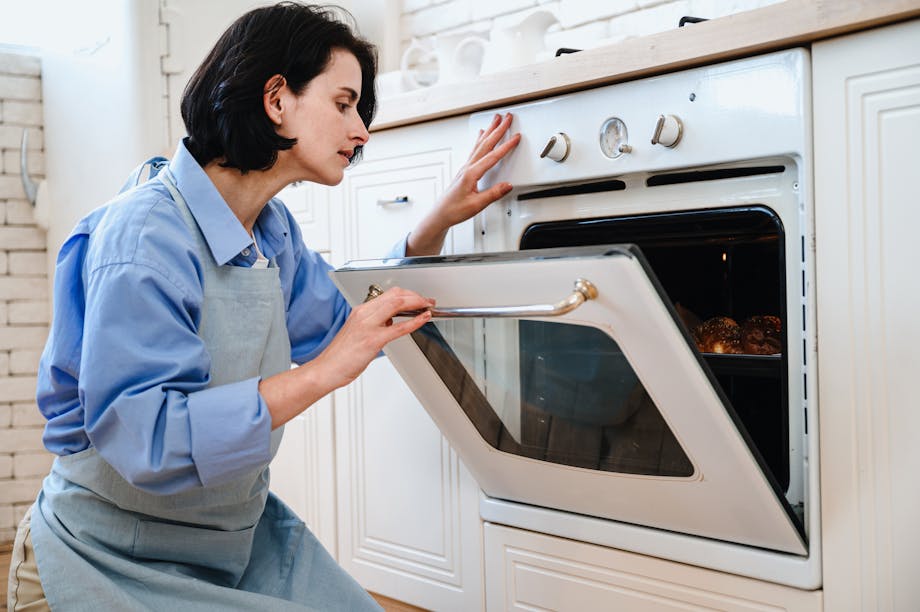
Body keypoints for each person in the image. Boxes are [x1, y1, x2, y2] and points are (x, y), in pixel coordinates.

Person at [5, 3, 520, 610]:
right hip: (107, 556)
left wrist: (433, 224)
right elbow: (151, 441)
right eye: (343, 103)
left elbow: (343, 322)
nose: (361, 132)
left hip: (230, 544)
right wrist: (323, 373)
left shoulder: (269, 232)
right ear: (277, 99)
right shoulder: (146, 236)